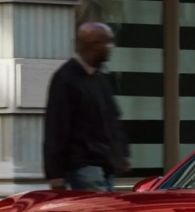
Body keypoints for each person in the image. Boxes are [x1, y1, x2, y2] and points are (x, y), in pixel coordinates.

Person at [44, 21, 130, 191]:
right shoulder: (66, 78)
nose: (111, 47)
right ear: (94, 45)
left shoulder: (101, 76)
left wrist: (121, 153)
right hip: (82, 165)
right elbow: (56, 126)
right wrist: (55, 174)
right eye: (107, 41)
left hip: (104, 164)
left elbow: (112, 118)